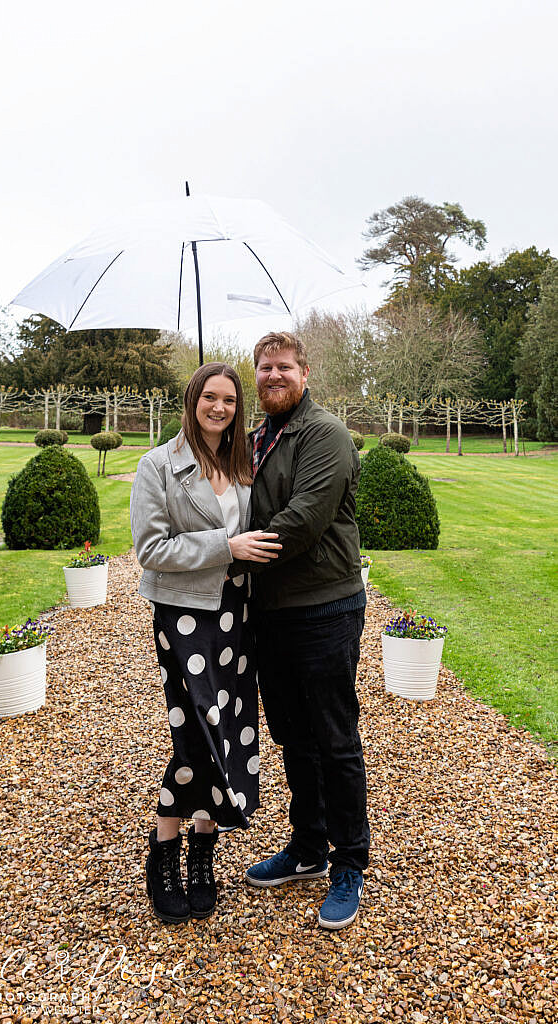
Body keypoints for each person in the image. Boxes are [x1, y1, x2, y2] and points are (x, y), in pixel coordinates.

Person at [130, 362, 281, 924]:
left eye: (229, 400)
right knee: (194, 733)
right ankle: (165, 855)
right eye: (210, 398)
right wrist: (227, 546)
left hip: (236, 616)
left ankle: (203, 853)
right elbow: (151, 550)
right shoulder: (159, 466)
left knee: (228, 731)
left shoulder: (242, 462)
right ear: (192, 400)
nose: (220, 408)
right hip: (186, 616)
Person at [228, 331, 369, 931]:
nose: (273, 376)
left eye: (284, 367)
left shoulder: (325, 434)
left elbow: (304, 520)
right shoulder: (258, 437)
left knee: (334, 738)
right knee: (292, 736)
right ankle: (308, 848)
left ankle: (349, 865)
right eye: (264, 368)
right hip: (270, 612)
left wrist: (226, 554)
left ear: (305, 373)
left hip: (324, 608)